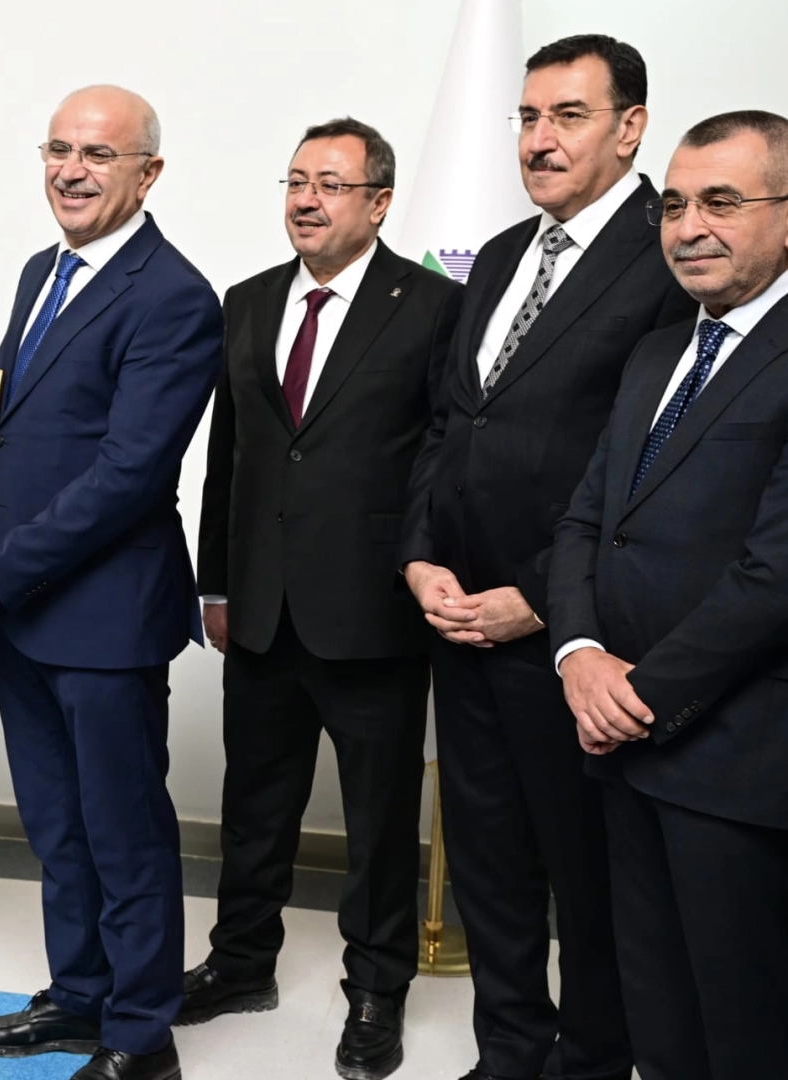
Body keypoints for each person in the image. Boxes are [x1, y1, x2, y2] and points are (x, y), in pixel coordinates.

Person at [399, 35, 695, 1080]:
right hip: (459, 624)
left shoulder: (671, 258)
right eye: (526, 117)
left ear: (629, 128)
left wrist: (537, 599)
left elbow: (647, 466)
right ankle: (508, 1053)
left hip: (578, 636)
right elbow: (449, 425)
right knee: (488, 864)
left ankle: (591, 1061)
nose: (538, 139)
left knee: (592, 877)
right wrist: (419, 558)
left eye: (568, 116)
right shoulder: (494, 258)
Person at [0, 85, 220, 1080]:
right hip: (26, 610)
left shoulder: (174, 296)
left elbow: (128, 476)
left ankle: (139, 1036)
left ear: (148, 173)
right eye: (57, 149)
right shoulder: (41, 271)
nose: (70, 171)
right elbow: (24, 425)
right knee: (57, 823)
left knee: (123, 832)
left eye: (97, 154)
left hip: (104, 615)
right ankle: (81, 994)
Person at [187, 118, 463, 1080]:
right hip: (260, 608)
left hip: (373, 613)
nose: (306, 199)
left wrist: (422, 570)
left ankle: (376, 989)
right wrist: (215, 582)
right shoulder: (248, 301)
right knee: (252, 806)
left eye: (330, 184)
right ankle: (239, 964)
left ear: (378, 203)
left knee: (378, 822)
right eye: (296, 181)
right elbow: (229, 455)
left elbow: (440, 459)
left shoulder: (432, 306)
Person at [550, 109, 788, 1080]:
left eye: (720, 202)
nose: (688, 228)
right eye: (676, 205)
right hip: (621, 753)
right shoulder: (656, 354)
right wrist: (577, 656)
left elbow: (774, 576)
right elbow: (583, 522)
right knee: (656, 1017)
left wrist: (636, 696)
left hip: (737, 763)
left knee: (745, 1031)